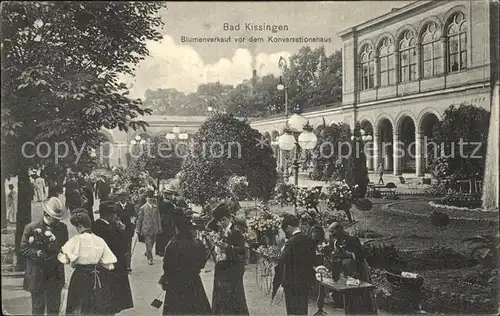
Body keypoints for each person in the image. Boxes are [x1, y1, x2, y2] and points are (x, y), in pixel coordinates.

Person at [58, 209, 117, 315]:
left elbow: (64, 258)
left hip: (80, 277)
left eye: (77, 227)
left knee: (79, 305)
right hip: (97, 277)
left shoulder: (76, 240)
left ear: (80, 226)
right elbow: (109, 264)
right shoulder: (100, 240)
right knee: (95, 305)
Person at [20, 197, 69, 315]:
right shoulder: (31, 228)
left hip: (55, 275)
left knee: (54, 309)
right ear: (47, 215)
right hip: (37, 274)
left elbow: (65, 247)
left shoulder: (62, 228)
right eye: (55, 218)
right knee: (38, 309)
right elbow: (22, 249)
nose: (58, 221)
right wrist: (36, 253)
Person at [159, 209, 212, 315]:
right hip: (194, 282)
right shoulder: (198, 244)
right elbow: (202, 263)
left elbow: (167, 265)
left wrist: (165, 278)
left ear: (177, 229)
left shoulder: (172, 244)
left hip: (176, 283)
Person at [326, 222, 377, 314]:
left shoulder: (353, 240)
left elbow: (361, 256)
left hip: (359, 269)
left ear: (340, 230)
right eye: (331, 234)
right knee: (349, 295)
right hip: (347, 270)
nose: (333, 236)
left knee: (362, 293)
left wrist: (347, 254)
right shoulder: (336, 241)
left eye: (333, 233)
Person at [93, 201, 134, 313]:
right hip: (113, 269)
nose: (116, 217)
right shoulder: (109, 229)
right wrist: (123, 230)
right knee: (112, 301)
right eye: (115, 214)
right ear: (109, 215)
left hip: (102, 268)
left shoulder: (96, 226)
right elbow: (123, 247)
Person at [210, 202, 249, 315]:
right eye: (220, 221)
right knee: (221, 297)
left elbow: (241, 250)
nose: (221, 223)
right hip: (223, 267)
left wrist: (227, 247)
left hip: (232, 269)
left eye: (223, 220)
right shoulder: (222, 231)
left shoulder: (236, 232)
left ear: (229, 218)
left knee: (232, 298)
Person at [277, 214, 316, 316]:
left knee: (292, 310)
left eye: (286, 230)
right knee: (303, 309)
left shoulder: (290, 242)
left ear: (289, 227)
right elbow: (313, 260)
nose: (286, 233)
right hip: (304, 281)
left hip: (291, 282)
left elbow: (281, 259)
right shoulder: (309, 239)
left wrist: (283, 248)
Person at [136, 190, 162, 265]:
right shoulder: (143, 208)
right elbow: (139, 219)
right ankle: (150, 258)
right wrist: (138, 228)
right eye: (149, 197)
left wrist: (159, 227)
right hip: (146, 228)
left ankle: (147, 251)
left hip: (154, 228)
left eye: (151, 197)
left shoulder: (156, 207)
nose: (150, 199)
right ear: (146, 198)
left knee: (152, 242)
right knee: (148, 243)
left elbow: (158, 218)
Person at [115, 190, 136, 272]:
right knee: (119, 247)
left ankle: (127, 266)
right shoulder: (116, 206)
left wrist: (133, 222)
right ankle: (120, 265)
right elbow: (115, 217)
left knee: (128, 248)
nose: (123, 198)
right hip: (118, 231)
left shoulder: (131, 206)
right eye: (121, 196)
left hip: (128, 230)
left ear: (127, 197)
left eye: (124, 196)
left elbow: (134, 216)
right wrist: (118, 223)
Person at [156, 189, 176, 257]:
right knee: (166, 237)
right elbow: (173, 212)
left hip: (160, 220)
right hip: (166, 222)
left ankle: (158, 251)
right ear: (168, 195)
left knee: (160, 236)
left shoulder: (160, 201)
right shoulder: (168, 203)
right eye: (171, 195)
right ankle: (163, 251)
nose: (171, 196)